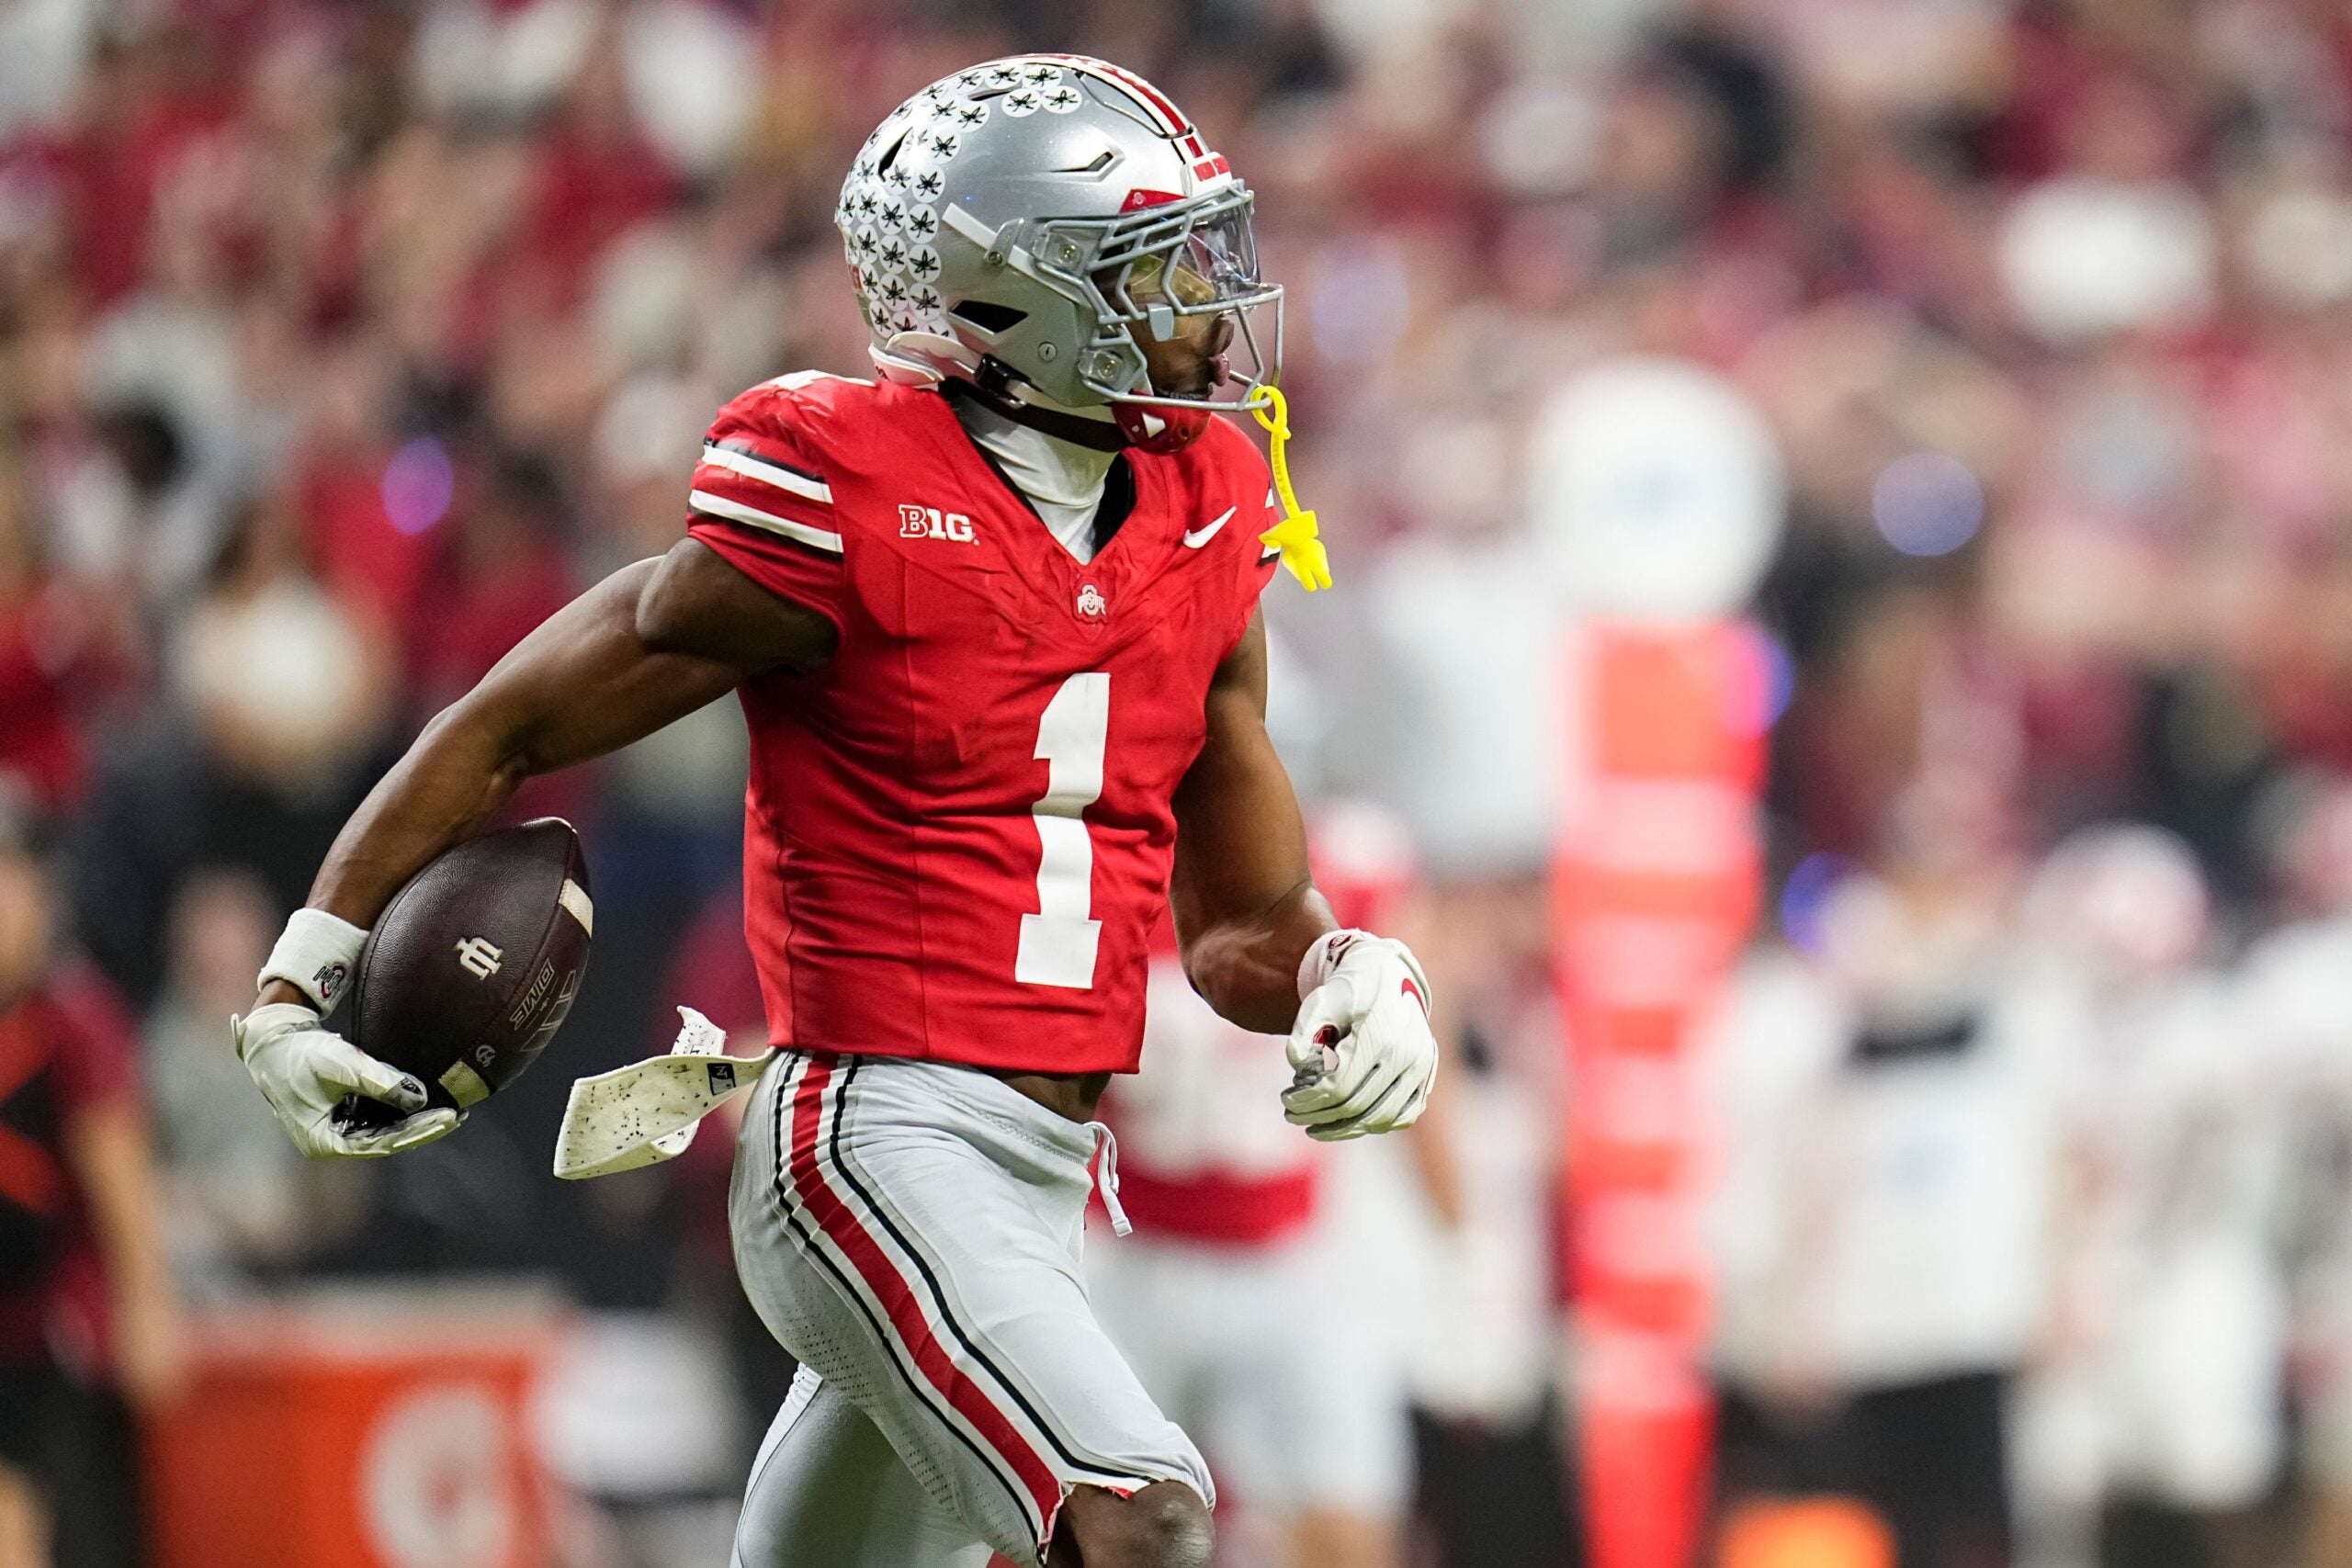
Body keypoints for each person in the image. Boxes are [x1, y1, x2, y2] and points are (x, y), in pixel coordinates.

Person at [226, 56, 1440, 1568]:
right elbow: (519, 716)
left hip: (1046, 1177)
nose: (1212, 301)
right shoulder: (845, 482)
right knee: (1144, 1518)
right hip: (874, 1135)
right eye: (1154, 264)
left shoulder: (1208, 500)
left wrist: (1350, 973)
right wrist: (306, 964)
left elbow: (1249, 923)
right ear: (1021, 298)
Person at [1088, 802, 1428, 1568]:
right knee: (1096, 1535)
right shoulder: (1096, 875)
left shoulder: (1357, 877)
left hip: (1294, 1260)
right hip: (1129, 1254)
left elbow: (1426, 1076)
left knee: (1350, 1532)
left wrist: (1466, 1241)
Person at [0, 829, 186, 1568]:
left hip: (55, 1336)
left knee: (64, 1524)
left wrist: (148, 1301)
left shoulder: (69, 1017)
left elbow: (120, 1172)